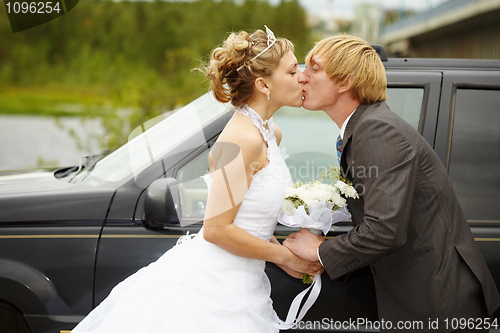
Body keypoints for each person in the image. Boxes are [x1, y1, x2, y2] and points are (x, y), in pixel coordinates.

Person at [71, 27, 321, 333]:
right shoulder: (242, 139)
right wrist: (285, 256)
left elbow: (249, 217)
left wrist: (283, 257)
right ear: (263, 83)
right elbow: (216, 229)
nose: (303, 76)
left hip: (245, 282)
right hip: (214, 288)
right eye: (293, 70)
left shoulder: (270, 133)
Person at [284, 35, 500, 331]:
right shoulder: (367, 125)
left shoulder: (376, 129)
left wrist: (321, 250)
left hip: (436, 304)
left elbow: (384, 229)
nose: (302, 77)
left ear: (345, 81)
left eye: (314, 68)